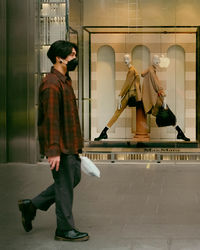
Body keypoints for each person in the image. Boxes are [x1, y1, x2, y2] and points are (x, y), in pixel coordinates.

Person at [18, 40, 89, 241]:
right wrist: (53, 150)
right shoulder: (51, 83)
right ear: (59, 57)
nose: (75, 58)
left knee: (72, 178)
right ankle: (65, 229)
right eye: (72, 55)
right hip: (61, 146)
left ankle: (31, 206)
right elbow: (50, 119)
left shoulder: (65, 81)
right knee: (64, 185)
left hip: (70, 143)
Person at [141, 55, 190, 141]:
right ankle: (180, 133)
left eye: (158, 60)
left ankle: (180, 133)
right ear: (152, 60)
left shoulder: (150, 70)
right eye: (156, 60)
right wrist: (163, 96)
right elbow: (157, 85)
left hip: (153, 99)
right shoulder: (152, 71)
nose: (158, 61)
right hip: (156, 100)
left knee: (170, 117)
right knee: (171, 116)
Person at [94, 54, 142, 141]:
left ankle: (104, 132)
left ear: (130, 59)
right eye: (124, 59)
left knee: (117, 112)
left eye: (127, 59)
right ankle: (104, 132)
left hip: (130, 95)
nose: (125, 60)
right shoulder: (132, 70)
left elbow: (127, 84)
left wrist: (120, 96)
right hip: (133, 94)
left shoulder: (131, 70)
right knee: (118, 113)